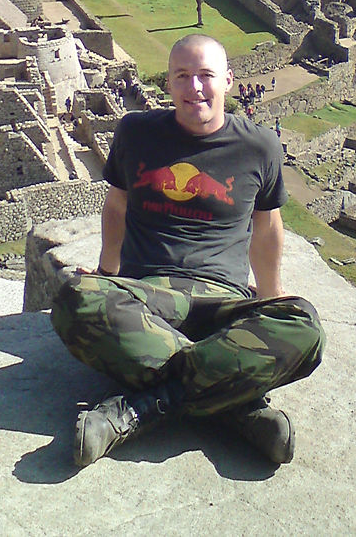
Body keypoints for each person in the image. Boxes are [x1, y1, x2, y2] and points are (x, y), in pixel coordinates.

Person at [51, 34, 325, 469]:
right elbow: (117, 205)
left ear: (228, 81)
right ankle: (234, 407)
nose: (194, 87)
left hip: (224, 300)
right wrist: (106, 273)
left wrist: (270, 298)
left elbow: (268, 227)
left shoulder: (259, 146)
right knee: (74, 297)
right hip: (147, 295)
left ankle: (142, 408)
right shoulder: (136, 132)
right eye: (182, 76)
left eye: (205, 76)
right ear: (169, 84)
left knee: (304, 326)